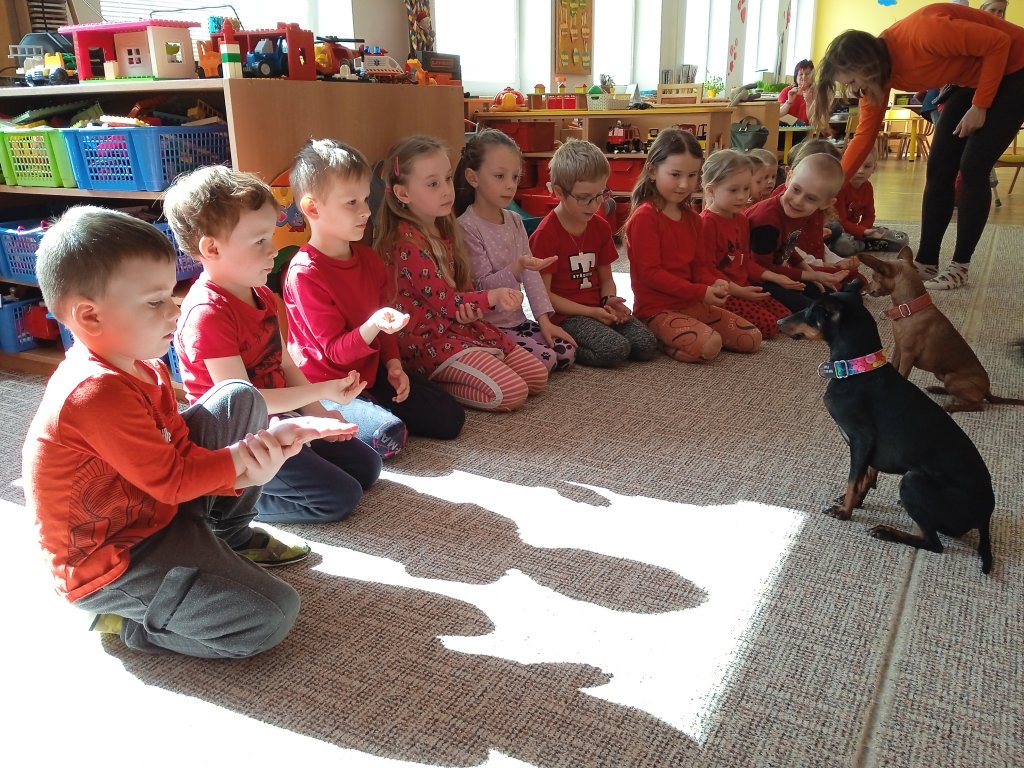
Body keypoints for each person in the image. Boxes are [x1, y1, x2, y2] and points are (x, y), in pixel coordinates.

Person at [22, 206, 351, 657]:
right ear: (91, 317)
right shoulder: (94, 392)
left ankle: (226, 536)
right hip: (113, 559)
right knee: (270, 616)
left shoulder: (146, 366)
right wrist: (246, 462)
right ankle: (131, 624)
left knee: (240, 397)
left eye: (170, 294)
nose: (173, 311)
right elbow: (174, 479)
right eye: (154, 302)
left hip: (158, 508)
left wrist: (254, 458)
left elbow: (178, 450)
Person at [165, 166, 383, 525]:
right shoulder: (207, 314)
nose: (273, 250)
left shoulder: (261, 293)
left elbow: (285, 364)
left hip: (280, 421)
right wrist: (323, 389)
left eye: (270, 237)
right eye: (259, 241)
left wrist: (319, 412)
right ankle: (223, 499)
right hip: (239, 439)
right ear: (212, 248)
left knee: (367, 467)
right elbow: (246, 402)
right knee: (339, 498)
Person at [812, 3, 1024, 290]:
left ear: (866, 65)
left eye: (851, 81)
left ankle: (959, 267)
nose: (852, 90)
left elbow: (999, 43)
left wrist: (980, 105)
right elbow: (864, 136)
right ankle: (926, 261)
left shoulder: (923, 34)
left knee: (973, 167)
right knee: (938, 168)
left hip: (1016, 66)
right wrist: (830, 189)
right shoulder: (876, 81)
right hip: (973, 79)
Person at [283, 138, 465, 459]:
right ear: (312, 208)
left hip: (369, 375)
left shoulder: (368, 259)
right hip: (329, 385)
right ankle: (347, 416)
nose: (366, 211)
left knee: (450, 417)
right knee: (388, 435)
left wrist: (393, 364)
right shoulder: (305, 273)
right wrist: (374, 324)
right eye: (351, 202)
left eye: (365, 199)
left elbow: (385, 324)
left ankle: (373, 408)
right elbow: (336, 353)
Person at [375, 134, 549, 411]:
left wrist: (473, 309)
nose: (446, 190)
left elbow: (460, 287)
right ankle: (438, 381)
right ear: (403, 194)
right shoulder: (405, 243)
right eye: (433, 184)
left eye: (446, 179)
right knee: (512, 392)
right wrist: (491, 297)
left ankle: (473, 366)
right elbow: (445, 301)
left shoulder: (444, 227)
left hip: (457, 324)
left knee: (537, 377)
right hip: (427, 340)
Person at [624, 131, 762, 362]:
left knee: (751, 339)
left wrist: (713, 283)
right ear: (652, 171)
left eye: (691, 175)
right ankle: (659, 336)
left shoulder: (693, 218)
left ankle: (682, 333)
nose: (684, 184)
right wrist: (701, 291)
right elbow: (650, 274)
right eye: (675, 174)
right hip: (656, 310)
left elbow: (700, 266)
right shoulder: (645, 217)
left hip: (693, 304)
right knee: (710, 345)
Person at [529, 139, 660, 367]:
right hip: (566, 316)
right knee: (615, 350)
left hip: (597, 308)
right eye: (584, 198)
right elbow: (545, 296)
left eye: (600, 194)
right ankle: (566, 346)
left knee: (647, 344)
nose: (594, 204)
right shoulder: (545, 235)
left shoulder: (600, 227)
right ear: (559, 192)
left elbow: (606, 278)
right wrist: (591, 312)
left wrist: (608, 300)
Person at [454, 128, 576, 371]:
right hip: (488, 326)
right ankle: (487, 354)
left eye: (515, 177)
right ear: (473, 177)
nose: (510, 185)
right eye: (500, 176)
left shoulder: (514, 220)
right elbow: (481, 287)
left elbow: (531, 277)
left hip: (517, 321)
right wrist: (517, 267)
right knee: (546, 360)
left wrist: (544, 320)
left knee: (566, 351)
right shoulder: (466, 226)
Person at [699, 149, 800, 340]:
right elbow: (707, 272)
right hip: (723, 293)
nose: (742, 196)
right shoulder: (706, 223)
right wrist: (741, 292)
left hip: (744, 286)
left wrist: (776, 277)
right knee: (769, 326)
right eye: (733, 190)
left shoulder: (741, 219)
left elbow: (745, 261)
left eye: (746, 189)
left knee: (786, 317)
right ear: (711, 191)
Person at [746, 153, 850, 311]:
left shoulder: (798, 212)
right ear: (789, 178)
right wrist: (813, 275)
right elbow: (761, 268)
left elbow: (787, 246)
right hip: (751, 276)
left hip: (773, 271)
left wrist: (811, 273)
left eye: (811, 198)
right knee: (811, 309)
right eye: (796, 189)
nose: (798, 201)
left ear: (826, 203)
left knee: (825, 293)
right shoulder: (766, 220)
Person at [832, 146, 911, 256]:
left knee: (902, 239)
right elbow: (841, 221)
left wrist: (865, 230)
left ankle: (862, 242)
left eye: (867, 166)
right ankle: (863, 244)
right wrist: (863, 232)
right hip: (840, 231)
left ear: (874, 168)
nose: (861, 171)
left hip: (858, 231)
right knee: (843, 246)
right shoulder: (840, 188)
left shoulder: (868, 187)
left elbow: (869, 216)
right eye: (856, 166)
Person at [778, 59, 815, 124]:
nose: (804, 77)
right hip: (787, 128)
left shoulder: (817, 92)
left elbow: (815, 121)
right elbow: (777, 115)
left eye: (807, 74)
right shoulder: (787, 91)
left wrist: (809, 102)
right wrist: (789, 102)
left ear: (812, 77)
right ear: (796, 77)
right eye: (801, 74)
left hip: (808, 128)